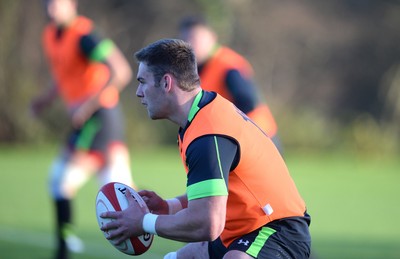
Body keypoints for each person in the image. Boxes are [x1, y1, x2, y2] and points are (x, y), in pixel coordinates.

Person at [100, 38, 311, 259]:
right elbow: (212, 195)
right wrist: (168, 206)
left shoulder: (208, 134)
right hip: (243, 230)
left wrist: (143, 222)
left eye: (143, 81)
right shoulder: (200, 117)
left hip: (277, 230)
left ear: (166, 83)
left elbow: (208, 225)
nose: (138, 92)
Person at [30, 0, 136, 258]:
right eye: (47, 2)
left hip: (100, 118)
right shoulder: (51, 35)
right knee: (118, 189)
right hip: (89, 120)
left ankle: (65, 246)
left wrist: (86, 107)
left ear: (72, 4)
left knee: (64, 180)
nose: (51, 7)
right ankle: (65, 245)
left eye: (57, 2)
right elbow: (64, 73)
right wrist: (46, 99)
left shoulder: (84, 35)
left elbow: (120, 71)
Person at [178, 16, 283, 154]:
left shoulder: (228, 65)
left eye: (195, 38)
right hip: (239, 141)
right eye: (186, 40)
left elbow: (248, 102)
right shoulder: (196, 68)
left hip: (259, 141)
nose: (191, 44)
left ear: (212, 38)